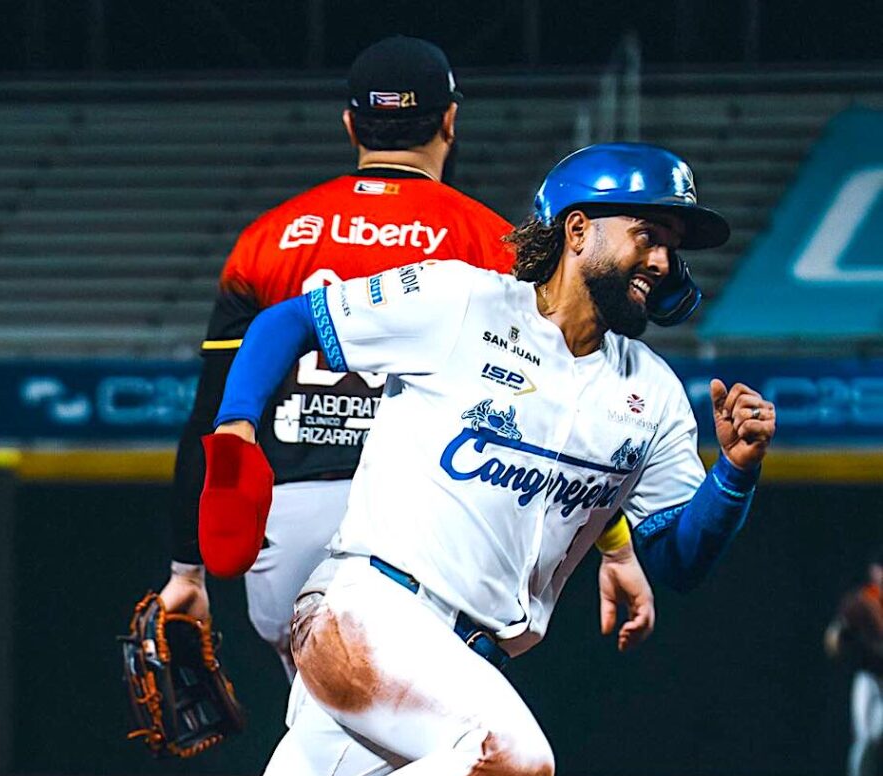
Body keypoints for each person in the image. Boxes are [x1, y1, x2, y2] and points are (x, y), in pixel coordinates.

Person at [195, 141, 776, 776]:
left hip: (457, 664)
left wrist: (735, 474)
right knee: (514, 759)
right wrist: (237, 426)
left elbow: (680, 558)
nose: (664, 261)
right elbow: (285, 322)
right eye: (648, 235)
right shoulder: (459, 301)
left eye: (674, 246)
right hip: (370, 611)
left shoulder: (653, 395)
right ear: (576, 229)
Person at [160, 35, 652, 687]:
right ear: (450, 120)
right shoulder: (490, 241)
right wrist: (614, 546)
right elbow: (550, 412)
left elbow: (212, 412)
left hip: (291, 513)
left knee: (335, 729)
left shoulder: (270, 238)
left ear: (350, 125)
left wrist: (185, 570)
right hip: (425, 522)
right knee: (435, 742)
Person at [824, 547, 883, 776]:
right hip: (869, 679)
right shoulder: (862, 601)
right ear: (874, 572)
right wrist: (835, 639)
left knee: (875, 735)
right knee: (866, 739)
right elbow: (837, 632)